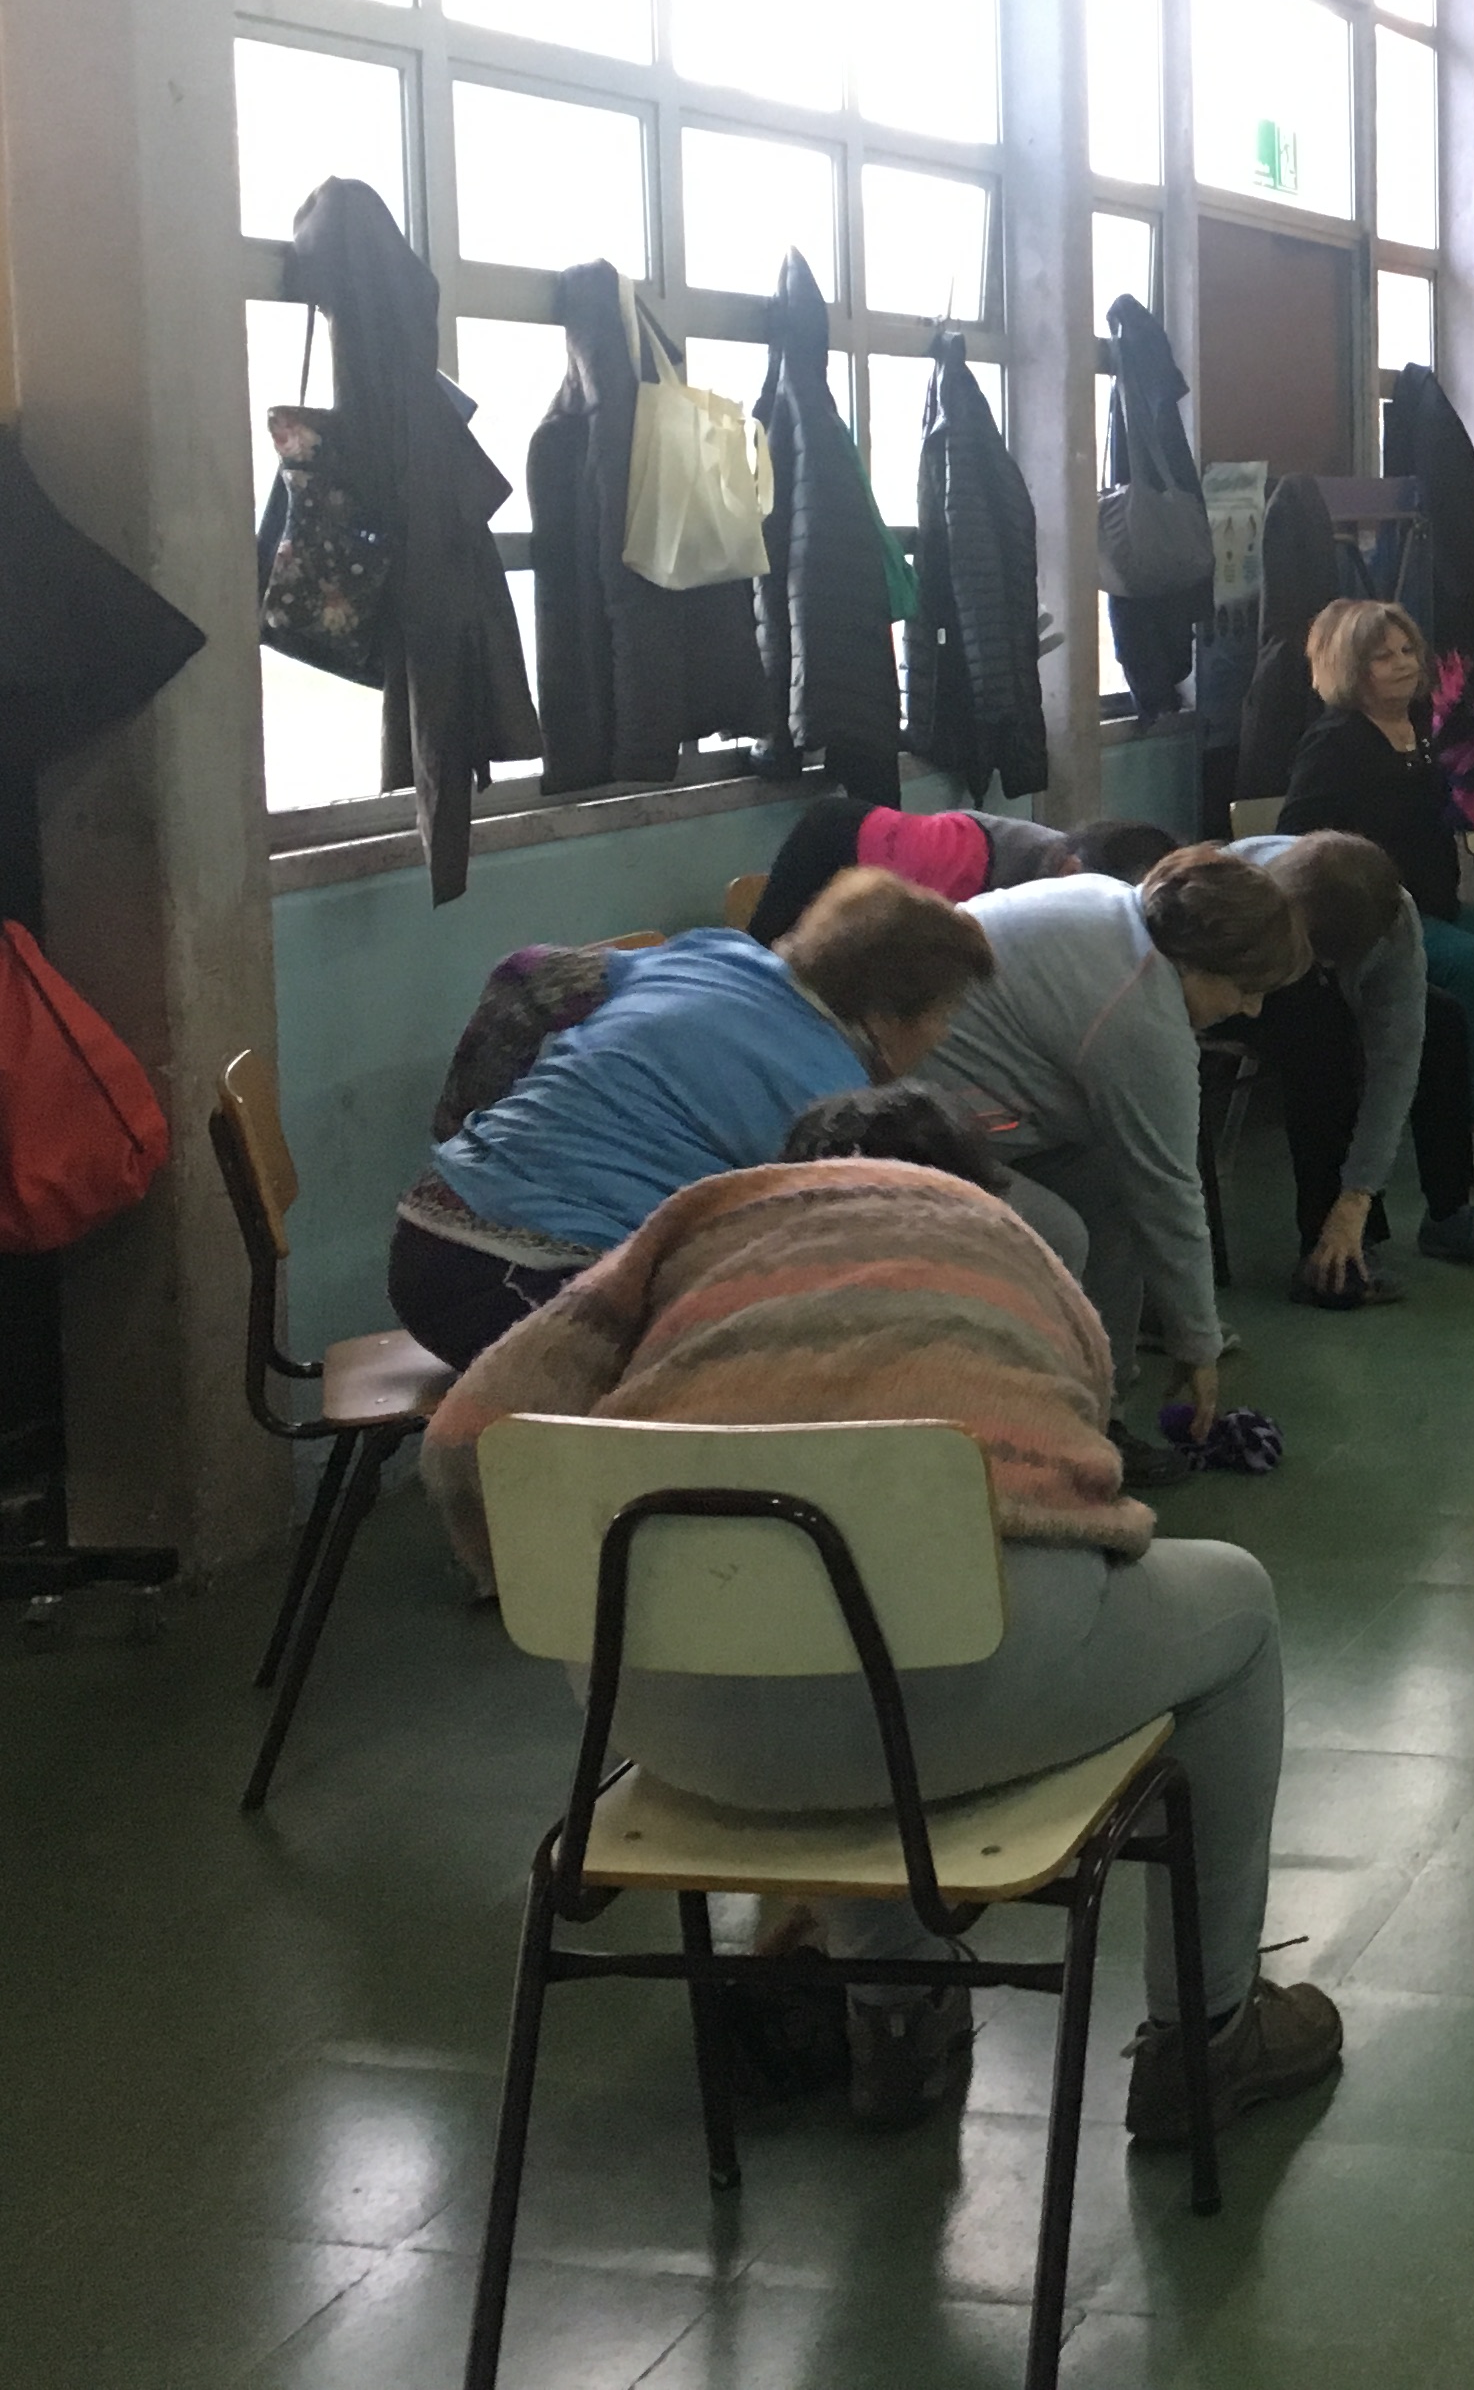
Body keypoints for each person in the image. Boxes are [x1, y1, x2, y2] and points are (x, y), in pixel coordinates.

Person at [420, 1084, 1339, 2143]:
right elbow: (1083, 1456)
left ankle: (895, 2022)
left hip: (665, 1721)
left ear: (788, 1173)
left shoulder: (693, 1231)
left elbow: (461, 1443)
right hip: (949, 1694)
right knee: (1232, 1605)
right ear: (979, 1185)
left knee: (813, 1622)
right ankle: (1207, 2038)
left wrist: (541, 1586)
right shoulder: (1014, 1242)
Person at [387, 872, 993, 1372]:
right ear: (886, 1017)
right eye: (944, 1014)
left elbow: (526, 971)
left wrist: (464, 1127)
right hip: (509, 1274)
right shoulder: (829, 1096)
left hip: (429, 1233)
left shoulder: (717, 953)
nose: (942, 1035)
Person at [915, 846, 1309, 1486]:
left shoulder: (1111, 902)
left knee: (1111, 1190)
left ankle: (1101, 1411)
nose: (1252, 1009)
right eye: (1247, 989)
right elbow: (1171, 1192)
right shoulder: (1141, 1013)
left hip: (963, 1108)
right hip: (914, 1132)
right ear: (1199, 964)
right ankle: (1043, 1438)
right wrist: (1198, 1349)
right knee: (1061, 1232)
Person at [1276, 599, 1474, 1198]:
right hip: (1376, 915)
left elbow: (1455, 810)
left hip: (1436, 902)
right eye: (1382, 656)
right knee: (1470, 965)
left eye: (1407, 650)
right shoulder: (1333, 742)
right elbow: (1296, 840)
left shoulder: (1427, 724)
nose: (1403, 663)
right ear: (1350, 667)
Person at [1217, 824, 1474, 1302]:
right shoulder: (1239, 883)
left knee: (1443, 1020)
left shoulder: (1394, 914)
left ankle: (1448, 1213)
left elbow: (1396, 1064)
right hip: (1236, 991)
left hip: (1326, 987)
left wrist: (1358, 1193)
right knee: (1318, 1035)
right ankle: (1323, 1247)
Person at [742, 796, 1085, 944]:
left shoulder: (1060, 860)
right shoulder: (1035, 882)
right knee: (765, 960)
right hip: (830, 839)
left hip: (848, 830)